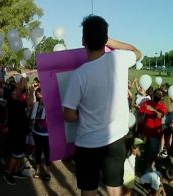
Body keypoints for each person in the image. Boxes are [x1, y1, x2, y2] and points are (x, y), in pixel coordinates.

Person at [62, 15, 141, 196]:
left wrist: (86, 114)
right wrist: (109, 40)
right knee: (114, 188)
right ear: (105, 39)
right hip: (115, 140)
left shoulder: (79, 75)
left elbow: (68, 115)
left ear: (83, 40)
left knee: (88, 190)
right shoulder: (119, 60)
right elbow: (137, 52)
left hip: (87, 143)